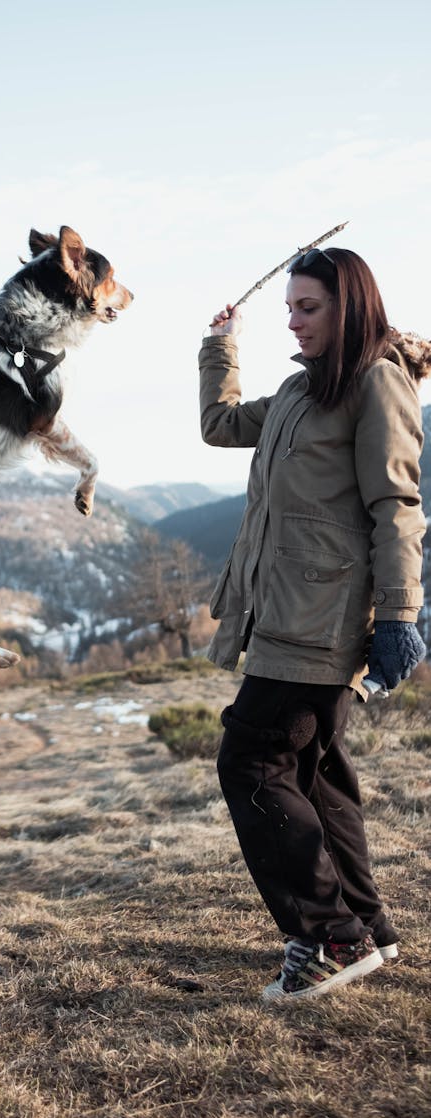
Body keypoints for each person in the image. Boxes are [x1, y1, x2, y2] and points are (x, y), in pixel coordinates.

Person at [199, 246, 430, 1002]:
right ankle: (370, 925)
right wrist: (220, 346)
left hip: (322, 625)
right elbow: (222, 424)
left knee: (253, 762)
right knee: (315, 773)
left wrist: (399, 614)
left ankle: (332, 937)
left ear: (349, 305)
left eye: (309, 308)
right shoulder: (301, 390)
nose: (294, 323)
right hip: (282, 614)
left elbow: (395, 507)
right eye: (289, 309)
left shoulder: (376, 383)